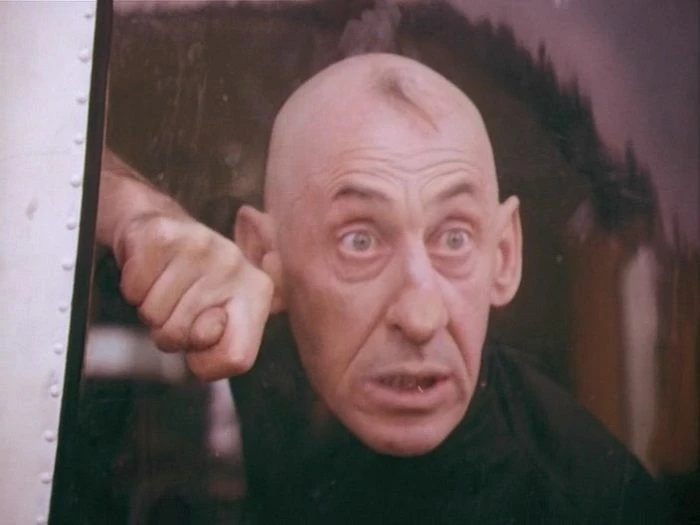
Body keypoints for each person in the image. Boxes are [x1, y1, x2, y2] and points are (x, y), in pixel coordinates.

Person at [97, 53, 669, 523]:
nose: (420, 316)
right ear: (264, 257)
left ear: (504, 255)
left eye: (454, 238)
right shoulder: (247, 314)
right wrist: (136, 215)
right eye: (360, 241)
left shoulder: (589, 501)